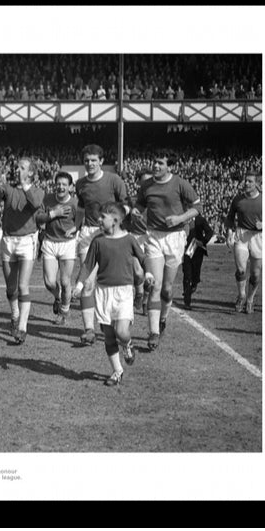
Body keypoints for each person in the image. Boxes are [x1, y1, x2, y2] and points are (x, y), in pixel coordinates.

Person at [131, 150, 202, 351]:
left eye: (160, 163)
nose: (156, 166)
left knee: (167, 289)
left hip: (176, 237)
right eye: (154, 161)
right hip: (153, 236)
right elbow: (140, 204)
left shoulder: (180, 184)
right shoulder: (147, 185)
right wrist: (137, 211)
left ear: (169, 166)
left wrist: (180, 219)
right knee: (154, 284)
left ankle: (162, 319)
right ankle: (153, 332)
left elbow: (199, 206)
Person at [80, 203, 151, 386]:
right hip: (103, 293)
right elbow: (87, 265)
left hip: (124, 292)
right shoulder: (98, 241)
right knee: (109, 335)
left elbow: (143, 258)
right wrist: (80, 284)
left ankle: (127, 345)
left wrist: (148, 273)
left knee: (121, 331)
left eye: (103, 217)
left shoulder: (129, 239)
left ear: (116, 220)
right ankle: (117, 371)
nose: (99, 219)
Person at [72, 144, 129, 345]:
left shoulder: (114, 180)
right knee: (88, 281)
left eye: (94, 160)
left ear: (101, 161)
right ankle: (88, 329)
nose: (90, 164)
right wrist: (75, 227)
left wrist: (114, 223)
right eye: (87, 160)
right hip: (88, 233)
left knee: (109, 280)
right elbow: (81, 207)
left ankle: (117, 318)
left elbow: (126, 205)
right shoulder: (80, 184)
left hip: (111, 235)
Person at [0, 158, 45, 344]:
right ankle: (15, 314)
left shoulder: (38, 191)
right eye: (17, 167)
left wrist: (25, 185)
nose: (17, 169)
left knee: (22, 286)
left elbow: (34, 203)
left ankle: (22, 328)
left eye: (22, 168)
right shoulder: (8, 189)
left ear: (31, 173)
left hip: (27, 241)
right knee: (11, 289)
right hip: (8, 240)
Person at [35, 171, 79, 325]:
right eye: (58, 184)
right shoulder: (47, 199)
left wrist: (75, 229)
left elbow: (82, 221)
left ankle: (63, 313)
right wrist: (53, 213)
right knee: (49, 282)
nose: (60, 187)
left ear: (70, 187)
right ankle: (58, 296)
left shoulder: (75, 203)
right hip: (50, 242)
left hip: (67, 244)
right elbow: (38, 218)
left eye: (64, 184)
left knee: (66, 281)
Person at [224, 171, 262, 314]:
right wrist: (229, 232)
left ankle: (250, 300)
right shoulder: (238, 199)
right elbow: (230, 217)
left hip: (259, 238)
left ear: (257, 183)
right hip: (241, 235)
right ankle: (241, 296)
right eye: (245, 181)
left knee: (255, 274)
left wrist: (263, 224)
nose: (246, 183)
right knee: (240, 269)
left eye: (250, 181)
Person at [126, 168, 153, 314]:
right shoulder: (131, 200)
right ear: (138, 182)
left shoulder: (157, 199)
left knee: (150, 274)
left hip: (152, 238)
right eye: (145, 181)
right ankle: (139, 293)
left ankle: (145, 300)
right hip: (136, 237)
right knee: (138, 273)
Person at [182, 214, 214, 310]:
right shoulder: (183, 218)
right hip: (186, 250)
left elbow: (209, 232)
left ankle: (193, 285)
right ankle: (187, 300)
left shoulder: (200, 219)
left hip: (197, 250)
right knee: (187, 274)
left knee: (195, 275)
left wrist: (203, 241)